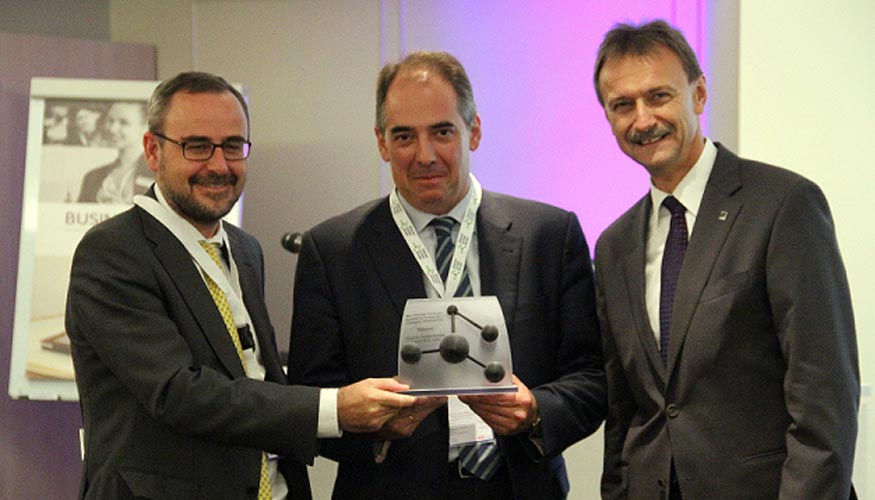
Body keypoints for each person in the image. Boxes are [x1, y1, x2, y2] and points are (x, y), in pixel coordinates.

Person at [65, 71, 415, 500]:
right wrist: (335, 408)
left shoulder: (244, 250)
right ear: (153, 150)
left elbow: (253, 375)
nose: (218, 166)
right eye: (197, 146)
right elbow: (180, 393)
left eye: (233, 146)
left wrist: (375, 409)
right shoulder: (113, 252)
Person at [287, 51, 606, 499]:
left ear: (473, 131)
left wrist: (536, 411)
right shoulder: (333, 250)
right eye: (404, 136)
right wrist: (375, 426)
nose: (425, 155)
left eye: (442, 132)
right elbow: (310, 400)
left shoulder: (550, 236)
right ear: (381, 143)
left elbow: (592, 375)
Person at [592, 20, 859, 500]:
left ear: (698, 94)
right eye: (622, 105)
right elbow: (624, 410)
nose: (643, 120)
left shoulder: (783, 205)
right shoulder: (613, 246)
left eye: (658, 96)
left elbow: (824, 398)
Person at [77, 101, 153, 203]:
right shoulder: (92, 178)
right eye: (110, 121)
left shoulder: (160, 176)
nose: (112, 129)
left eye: (124, 123)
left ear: (145, 127)